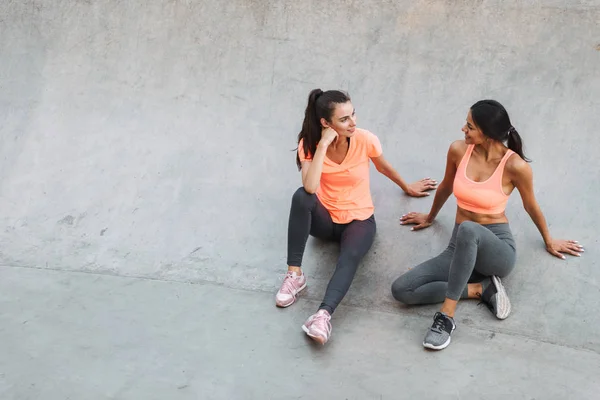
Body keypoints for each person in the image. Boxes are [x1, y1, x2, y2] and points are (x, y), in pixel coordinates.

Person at [392, 100, 584, 350]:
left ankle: (446, 317)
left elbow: (531, 206)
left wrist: (549, 240)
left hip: (497, 250)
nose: (463, 129)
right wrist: (430, 217)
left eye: (469, 126)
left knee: (469, 228)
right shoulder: (458, 151)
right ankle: (480, 289)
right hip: (459, 247)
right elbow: (446, 186)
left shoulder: (515, 166)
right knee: (402, 290)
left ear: (487, 133)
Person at [276, 88, 437, 345]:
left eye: (353, 115)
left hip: (359, 220)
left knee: (349, 257)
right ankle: (295, 275)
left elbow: (382, 165)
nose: (353, 123)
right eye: (344, 119)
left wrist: (407, 186)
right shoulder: (309, 144)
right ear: (325, 123)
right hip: (325, 220)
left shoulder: (365, 139)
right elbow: (310, 187)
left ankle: (323, 316)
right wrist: (324, 145)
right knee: (300, 196)